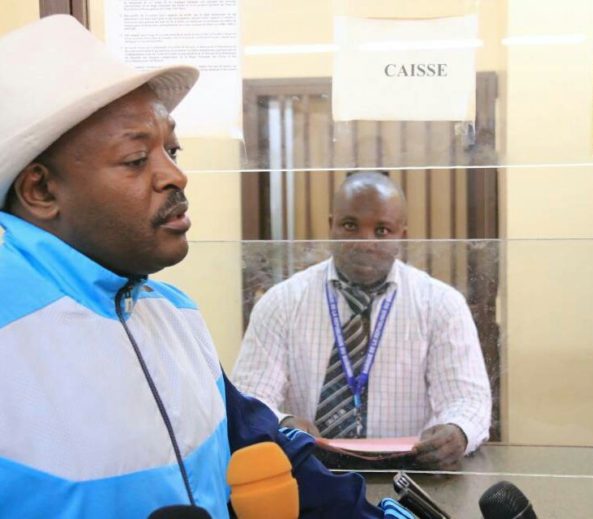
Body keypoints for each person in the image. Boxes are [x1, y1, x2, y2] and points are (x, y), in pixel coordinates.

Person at [0, 15, 408, 519]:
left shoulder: (169, 314)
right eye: (135, 159)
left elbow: (268, 449)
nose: (175, 174)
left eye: (171, 149)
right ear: (41, 190)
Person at [232, 171, 492, 470]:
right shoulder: (280, 303)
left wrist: (458, 431)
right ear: (330, 226)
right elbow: (248, 401)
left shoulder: (442, 305)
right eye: (350, 225)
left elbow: (469, 400)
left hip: (412, 477)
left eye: (382, 230)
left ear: (402, 236)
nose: (365, 242)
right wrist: (283, 423)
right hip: (309, 474)